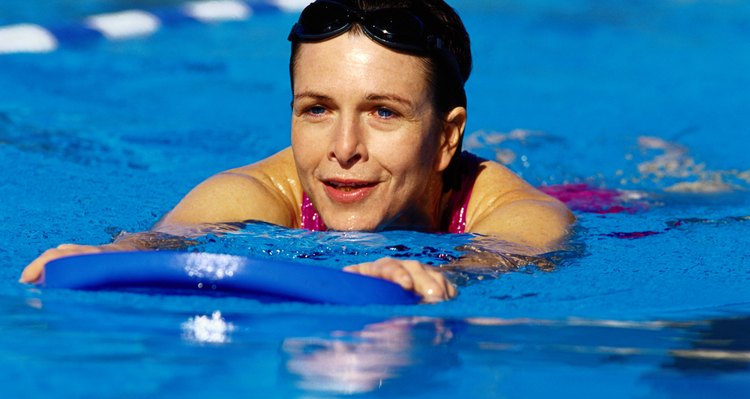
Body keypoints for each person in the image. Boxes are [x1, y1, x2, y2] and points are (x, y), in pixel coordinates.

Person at [20, 0, 574, 302]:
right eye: (317, 109)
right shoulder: (257, 193)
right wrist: (116, 255)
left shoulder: (502, 205)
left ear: (448, 137)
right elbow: (166, 241)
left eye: (383, 112)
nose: (343, 149)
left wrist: (442, 271)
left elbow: (518, 249)